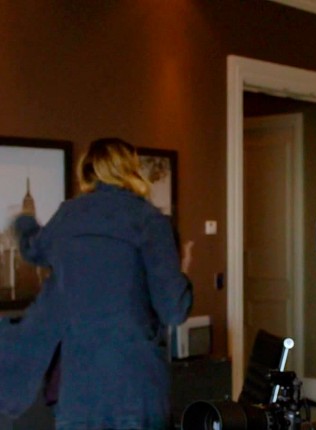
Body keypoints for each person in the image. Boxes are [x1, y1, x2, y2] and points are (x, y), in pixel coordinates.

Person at [8, 138, 193, 430]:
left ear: (87, 171)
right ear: (131, 169)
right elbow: (173, 310)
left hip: (80, 390)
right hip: (136, 386)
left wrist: (24, 223)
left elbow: (34, 249)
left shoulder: (67, 217)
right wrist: (182, 272)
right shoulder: (150, 221)